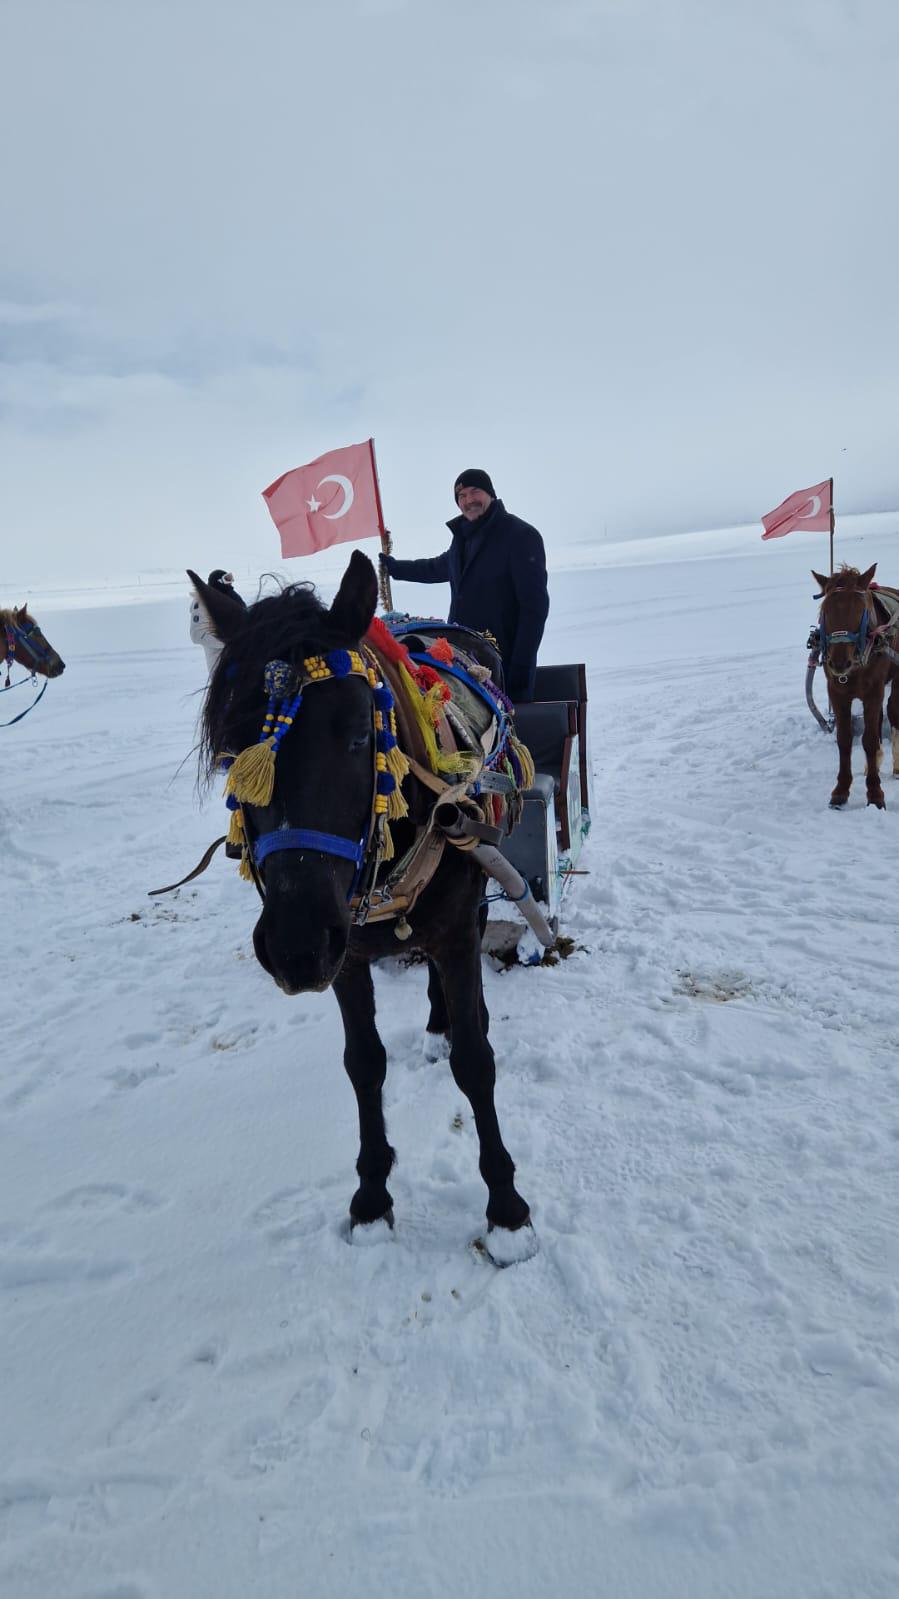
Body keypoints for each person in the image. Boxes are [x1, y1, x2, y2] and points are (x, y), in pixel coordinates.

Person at [380, 469, 549, 701]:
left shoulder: (520, 536)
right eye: (462, 496)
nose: (469, 500)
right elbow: (436, 567)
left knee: (507, 733)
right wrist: (395, 568)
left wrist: (520, 668)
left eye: (474, 492)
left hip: (503, 662)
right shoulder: (463, 538)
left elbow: (535, 608)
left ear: (490, 493)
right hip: (462, 658)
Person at [189, 569, 246, 674]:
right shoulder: (203, 603)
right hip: (220, 661)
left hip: (241, 658)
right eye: (227, 579)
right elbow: (197, 634)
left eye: (230, 578)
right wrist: (228, 643)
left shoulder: (233, 598)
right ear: (218, 581)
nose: (230, 582)